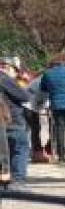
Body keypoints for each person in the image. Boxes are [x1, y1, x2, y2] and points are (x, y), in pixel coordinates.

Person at [0, 60, 32, 189]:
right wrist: (20, 83)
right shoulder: (4, 79)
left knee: (4, 151)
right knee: (19, 148)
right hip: (11, 118)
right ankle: (17, 181)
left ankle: (4, 181)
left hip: (6, 119)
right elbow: (24, 96)